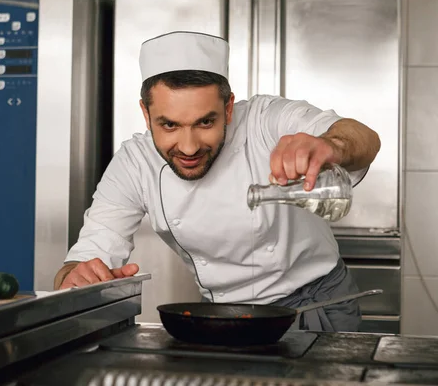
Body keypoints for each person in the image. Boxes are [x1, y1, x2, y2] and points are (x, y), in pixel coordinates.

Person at [53, 31, 381, 332]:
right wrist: (76, 277)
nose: (189, 146)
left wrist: (331, 146)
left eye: (205, 122)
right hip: (223, 317)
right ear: (145, 113)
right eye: (169, 125)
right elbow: (80, 262)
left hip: (316, 307)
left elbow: (364, 139)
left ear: (227, 109)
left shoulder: (265, 120)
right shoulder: (134, 163)